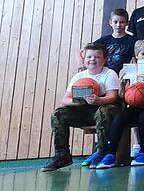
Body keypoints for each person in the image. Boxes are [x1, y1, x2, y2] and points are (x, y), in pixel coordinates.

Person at [41, 43, 120, 171]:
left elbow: (112, 97)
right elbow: (65, 100)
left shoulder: (109, 74)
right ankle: (62, 156)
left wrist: (98, 100)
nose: (92, 59)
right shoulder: (79, 77)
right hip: (83, 111)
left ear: (105, 60)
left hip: (103, 109)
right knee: (58, 114)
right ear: (84, 59)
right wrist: (79, 101)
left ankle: (101, 153)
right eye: (89, 57)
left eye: (97, 57)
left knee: (104, 111)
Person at [97, 40, 144, 168]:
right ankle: (110, 154)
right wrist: (123, 86)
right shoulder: (129, 71)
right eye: (142, 54)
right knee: (119, 118)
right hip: (135, 106)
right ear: (137, 55)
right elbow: (123, 97)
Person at [92, 8, 137, 74]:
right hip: (104, 75)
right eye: (115, 22)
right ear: (110, 22)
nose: (118, 25)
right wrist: (81, 62)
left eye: (122, 22)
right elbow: (86, 50)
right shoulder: (103, 41)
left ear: (127, 23)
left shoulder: (133, 41)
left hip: (124, 76)